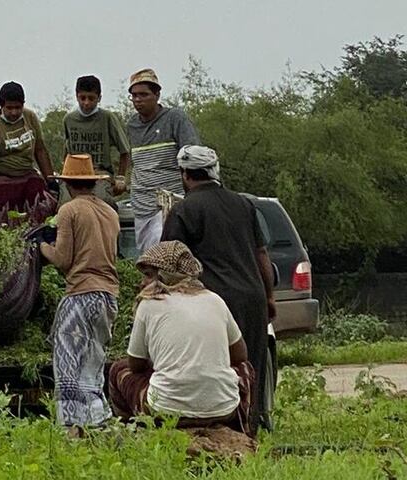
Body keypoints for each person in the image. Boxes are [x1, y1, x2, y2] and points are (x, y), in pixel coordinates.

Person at [161, 145, 276, 434]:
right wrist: (269, 296)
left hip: (212, 302)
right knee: (250, 366)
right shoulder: (244, 204)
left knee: (219, 367)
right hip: (252, 298)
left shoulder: (183, 210)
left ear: (185, 174)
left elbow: (169, 261)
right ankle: (251, 427)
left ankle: (222, 432)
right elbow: (261, 254)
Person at [108, 241, 255, 436]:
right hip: (223, 410)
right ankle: (241, 429)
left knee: (119, 369)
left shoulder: (149, 304)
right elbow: (240, 355)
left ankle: (133, 433)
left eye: (148, 275)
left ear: (163, 276)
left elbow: (135, 365)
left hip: (165, 411)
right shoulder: (215, 300)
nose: (142, 282)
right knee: (245, 369)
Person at [39, 153, 120, 438]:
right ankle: (97, 423)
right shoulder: (111, 213)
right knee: (93, 364)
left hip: (80, 294)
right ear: (92, 183)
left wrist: (41, 246)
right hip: (108, 296)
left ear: (67, 184)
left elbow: (63, 259)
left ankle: (70, 429)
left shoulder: (69, 210)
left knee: (67, 363)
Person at [126, 68, 200, 255]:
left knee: (165, 253)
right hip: (141, 203)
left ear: (157, 95)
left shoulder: (174, 118)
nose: (138, 100)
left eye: (143, 95)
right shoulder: (132, 125)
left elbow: (192, 156)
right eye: (134, 95)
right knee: (148, 257)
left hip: (169, 201)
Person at [0, 81, 57, 214]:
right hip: (2, 177)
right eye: (9, 108)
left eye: (18, 107)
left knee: (43, 202)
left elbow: (40, 150)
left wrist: (50, 180)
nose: (14, 112)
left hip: (27, 173)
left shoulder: (30, 117)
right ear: (1, 105)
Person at [59, 75, 131, 210]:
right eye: (82, 98)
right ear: (76, 97)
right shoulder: (69, 119)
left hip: (99, 173)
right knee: (65, 206)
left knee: (103, 202)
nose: (86, 103)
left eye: (91, 98)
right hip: (74, 174)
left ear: (99, 98)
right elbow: (67, 150)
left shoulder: (107, 118)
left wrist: (120, 178)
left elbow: (125, 150)